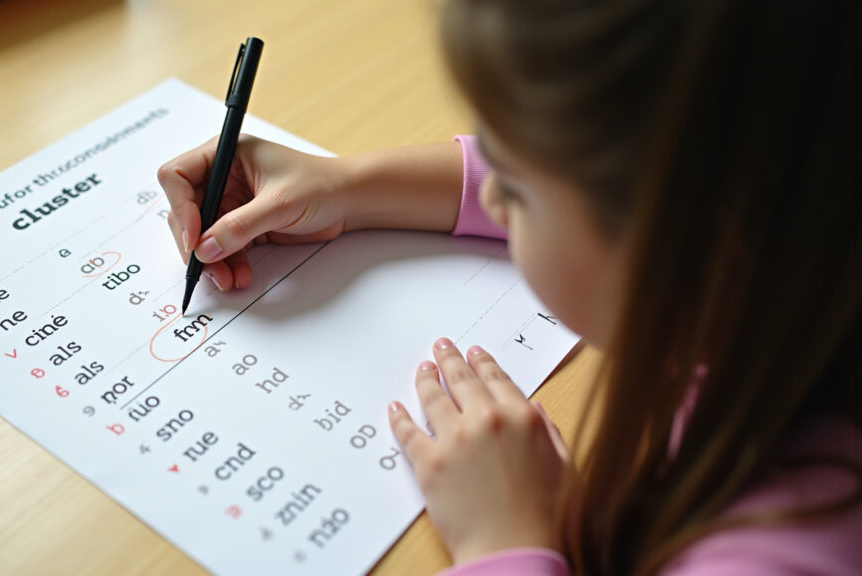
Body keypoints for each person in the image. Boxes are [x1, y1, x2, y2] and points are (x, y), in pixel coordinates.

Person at [157, 1, 861, 573]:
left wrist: (508, 543)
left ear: (691, 244)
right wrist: (348, 184)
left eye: (516, 190)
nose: (493, 197)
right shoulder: (797, 253)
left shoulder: (776, 552)